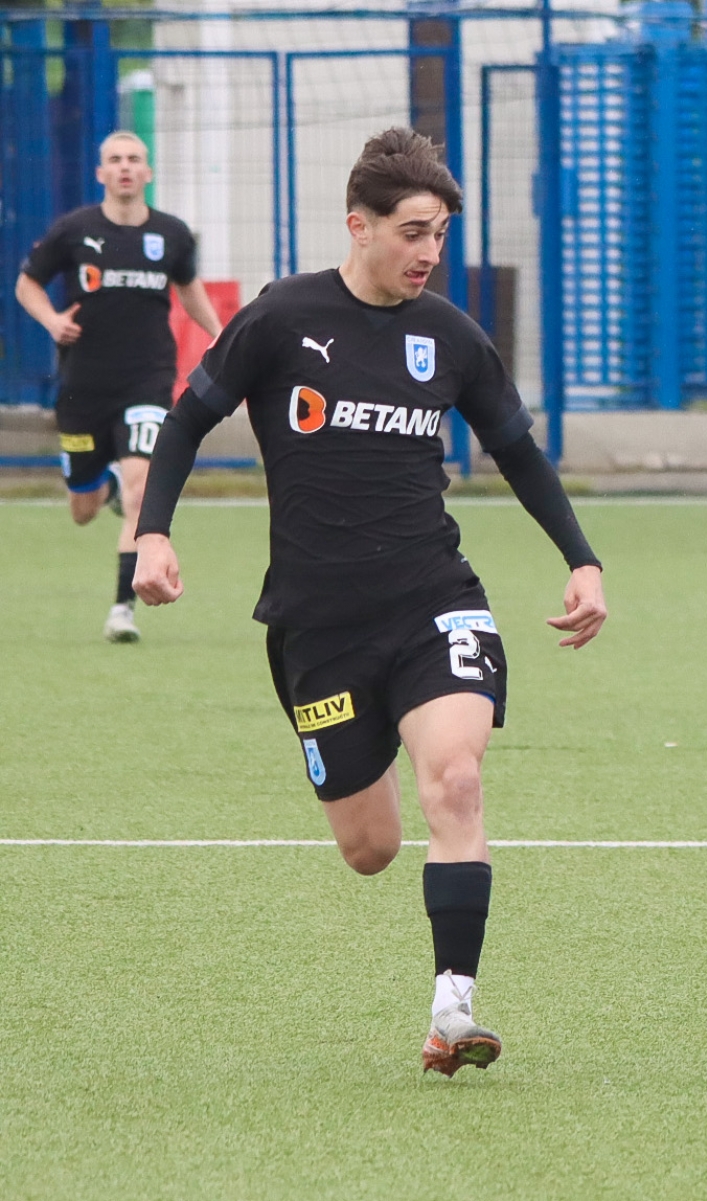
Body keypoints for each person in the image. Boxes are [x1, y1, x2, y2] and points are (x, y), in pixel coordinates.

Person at [132, 128, 608, 1076]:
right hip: (318, 625)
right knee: (371, 847)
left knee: (457, 781)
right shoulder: (282, 317)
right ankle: (374, 743)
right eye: (413, 232)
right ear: (360, 225)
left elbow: (517, 451)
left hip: (434, 598)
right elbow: (186, 421)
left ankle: (452, 1010)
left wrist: (582, 559)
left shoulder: (452, 336)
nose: (430, 252)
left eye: (441, 235)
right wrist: (153, 531)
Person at [16, 130, 224, 642]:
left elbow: (189, 289)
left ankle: (121, 611)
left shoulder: (172, 234)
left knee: (140, 493)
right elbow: (27, 283)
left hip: (148, 378)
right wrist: (51, 321)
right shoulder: (74, 230)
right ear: (101, 173)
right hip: (83, 386)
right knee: (82, 510)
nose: (125, 167)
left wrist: (221, 335)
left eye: (134, 159)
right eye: (115, 159)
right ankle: (100, 486)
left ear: (147, 172)